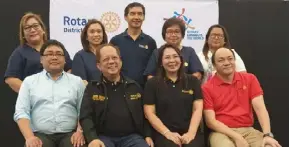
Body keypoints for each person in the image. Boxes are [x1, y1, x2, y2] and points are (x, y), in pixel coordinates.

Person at [202, 47, 281, 147]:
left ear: (235, 61)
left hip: (248, 130)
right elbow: (211, 122)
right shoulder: (207, 88)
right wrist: (237, 137)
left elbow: (260, 109)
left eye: (230, 59)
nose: (227, 63)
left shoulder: (250, 79)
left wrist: (267, 135)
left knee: (270, 145)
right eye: (221, 60)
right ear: (214, 65)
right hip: (221, 132)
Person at [14, 40, 86, 147]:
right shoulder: (29, 82)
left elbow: (84, 111)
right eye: (49, 54)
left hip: (70, 134)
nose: (54, 57)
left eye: (59, 54)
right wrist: (30, 137)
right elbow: (21, 112)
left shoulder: (77, 81)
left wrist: (80, 132)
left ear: (65, 60)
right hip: (40, 135)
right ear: (41, 59)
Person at [79, 44, 153, 147]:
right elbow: (85, 116)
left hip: (132, 137)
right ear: (99, 66)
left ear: (121, 62)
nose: (111, 62)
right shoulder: (92, 88)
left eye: (114, 58)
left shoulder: (134, 86)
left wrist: (148, 135)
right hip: (103, 137)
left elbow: (146, 115)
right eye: (106, 59)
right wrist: (92, 138)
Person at [144, 44, 204, 147]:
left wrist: (191, 133)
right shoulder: (152, 83)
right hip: (163, 132)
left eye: (175, 56)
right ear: (161, 62)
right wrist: (167, 133)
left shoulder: (193, 81)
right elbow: (149, 113)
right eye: (167, 57)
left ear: (181, 60)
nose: (172, 60)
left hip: (190, 130)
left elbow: (197, 109)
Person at [4, 12, 72, 93]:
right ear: (23, 35)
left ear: (43, 29)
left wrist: (65, 86)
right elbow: (11, 79)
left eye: (35, 26)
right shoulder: (19, 53)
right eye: (27, 28)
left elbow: (70, 68)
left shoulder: (56, 46)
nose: (32, 30)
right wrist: (33, 93)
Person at [110, 2, 157, 87]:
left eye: (140, 14)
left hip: (144, 91)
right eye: (132, 14)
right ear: (125, 17)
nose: (136, 17)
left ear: (143, 17)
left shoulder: (150, 42)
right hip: (120, 89)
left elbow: (153, 69)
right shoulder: (115, 41)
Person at [72, 19, 108, 85]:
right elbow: (80, 83)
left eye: (99, 31)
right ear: (86, 36)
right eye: (92, 32)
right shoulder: (80, 56)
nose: (96, 34)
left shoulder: (109, 54)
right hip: (91, 94)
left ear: (103, 35)